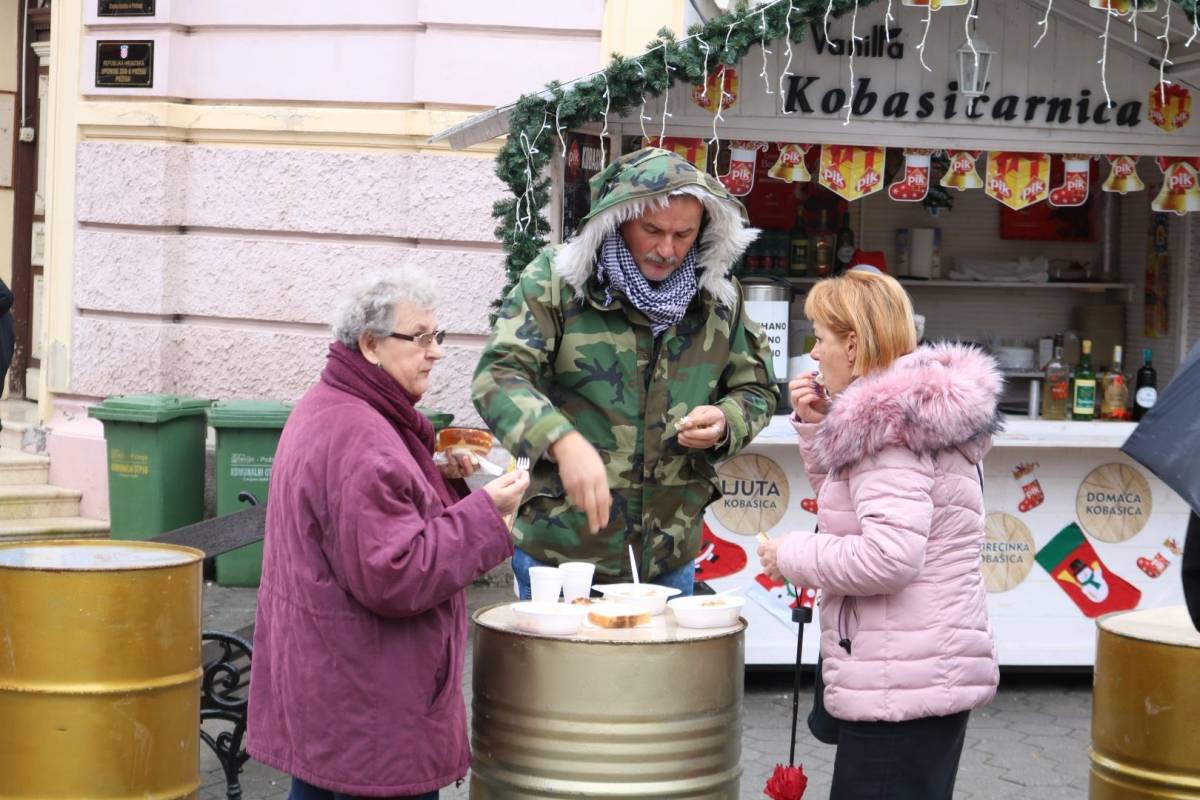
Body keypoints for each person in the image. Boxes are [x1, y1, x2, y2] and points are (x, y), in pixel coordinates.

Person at [246, 269, 529, 800]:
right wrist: (491, 513)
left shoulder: (337, 406)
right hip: (372, 706)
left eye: (437, 336)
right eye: (420, 337)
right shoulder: (362, 435)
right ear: (371, 345)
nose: (436, 352)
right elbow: (396, 574)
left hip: (335, 693)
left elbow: (374, 526)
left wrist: (440, 478)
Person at [473, 147, 776, 597]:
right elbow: (499, 375)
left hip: (669, 550)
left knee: (654, 670)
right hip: (560, 550)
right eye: (652, 230)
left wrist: (726, 421)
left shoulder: (718, 297)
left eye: (683, 234)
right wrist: (561, 439)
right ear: (619, 220)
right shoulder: (558, 281)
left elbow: (757, 389)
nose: (667, 249)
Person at [757, 270, 1001, 800]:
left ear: (853, 342)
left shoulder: (889, 431)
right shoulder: (904, 414)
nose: (814, 355)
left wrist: (791, 554)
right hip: (915, 667)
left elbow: (888, 556)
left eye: (820, 338)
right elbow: (855, 505)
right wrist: (824, 428)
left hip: (903, 679)